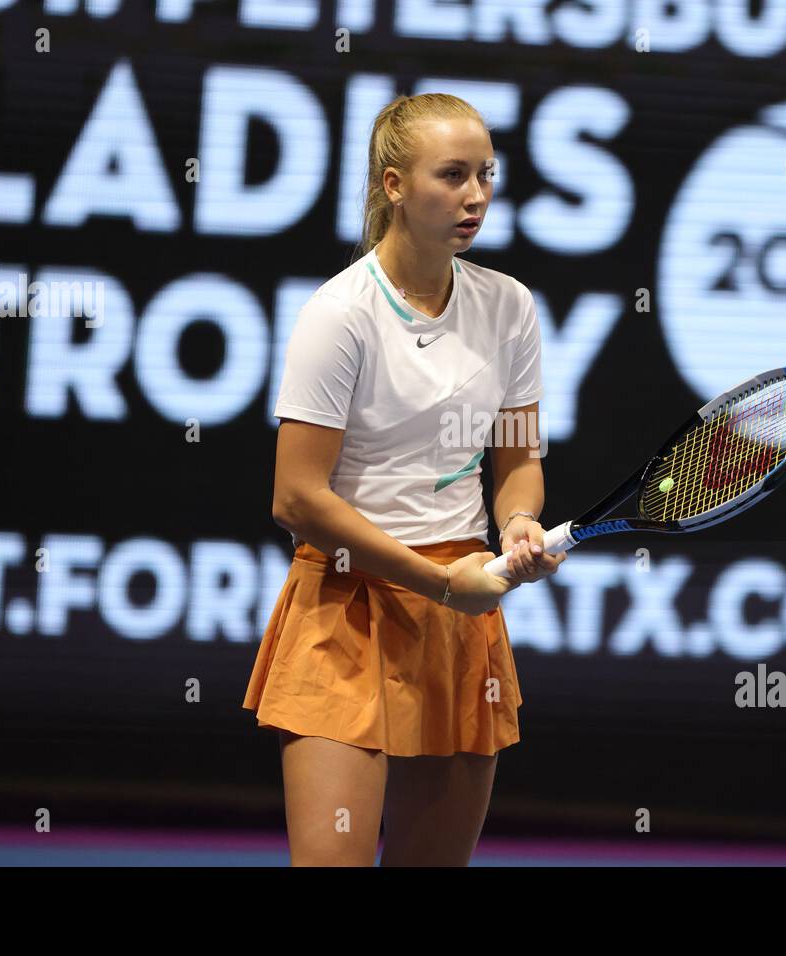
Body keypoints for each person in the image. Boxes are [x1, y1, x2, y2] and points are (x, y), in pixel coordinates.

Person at [241, 93, 566, 866]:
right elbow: (297, 497)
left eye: (486, 174)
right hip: (347, 606)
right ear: (393, 185)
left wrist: (518, 523)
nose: (476, 195)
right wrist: (438, 582)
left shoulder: (510, 308)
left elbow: (517, 459)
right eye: (452, 175)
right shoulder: (340, 314)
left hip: (460, 603)